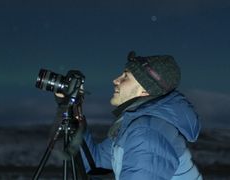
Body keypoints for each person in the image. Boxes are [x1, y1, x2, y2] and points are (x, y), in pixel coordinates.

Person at [78, 51, 203, 179]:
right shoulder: (135, 124)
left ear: (145, 90)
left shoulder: (147, 132)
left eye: (125, 76)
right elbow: (93, 162)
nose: (115, 80)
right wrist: (74, 111)